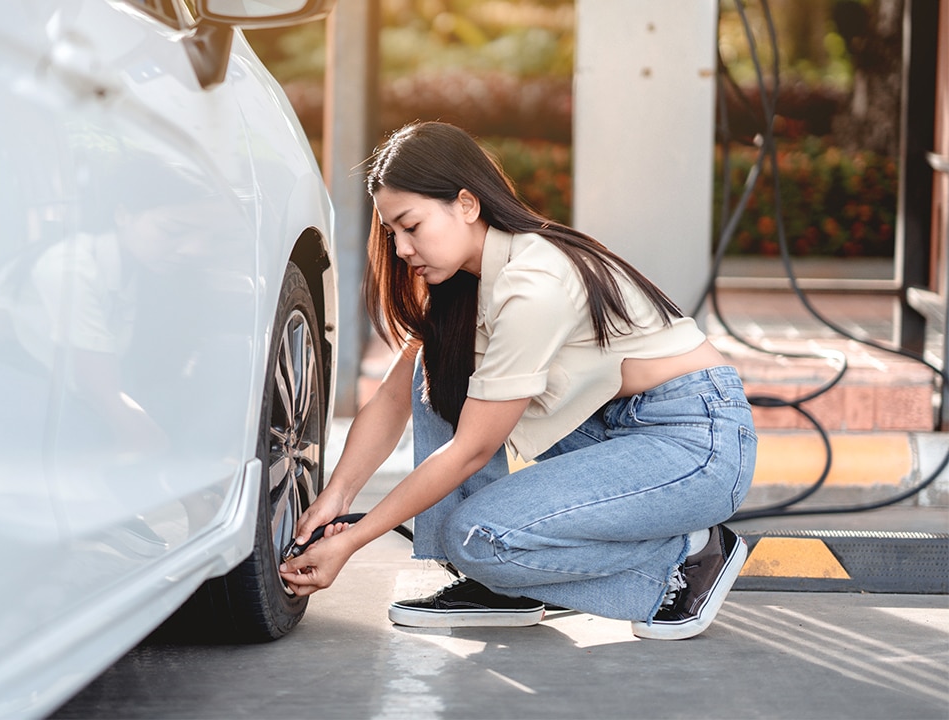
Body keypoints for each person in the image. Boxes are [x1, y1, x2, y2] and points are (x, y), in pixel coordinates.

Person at [278, 121, 757, 640]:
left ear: (467, 204)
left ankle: (688, 558)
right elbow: (393, 399)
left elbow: (471, 450)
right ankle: (493, 583)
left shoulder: (534, 284)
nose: (401, 249)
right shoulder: (468, 283)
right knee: (435, 370)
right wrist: (336, 497)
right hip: (614, 428)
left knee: (478, 537)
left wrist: (351, 541)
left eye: (411, 226)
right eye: (392, 234)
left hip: (694, 442)